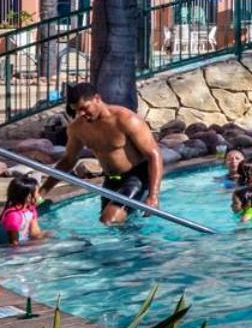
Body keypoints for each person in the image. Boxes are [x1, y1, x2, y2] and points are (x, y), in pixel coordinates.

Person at [44, 82, 163, 226]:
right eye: (77, 110)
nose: (81, 114)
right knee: (117, 227)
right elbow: (68, 161)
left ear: (97, 98)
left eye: (84, 108)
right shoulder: (77, 128)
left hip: (136, 177)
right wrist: (42, 192)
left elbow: (153, 155)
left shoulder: (126, 119)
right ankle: (141, 246)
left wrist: (153, 195)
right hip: (110, 180)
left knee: (108, 221)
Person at [0, 175, 43, 244]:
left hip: (23, 242)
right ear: (28, 197)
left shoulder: (30, 209)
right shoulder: (13, 216)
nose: (39, 195)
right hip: (8, 247)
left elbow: (35, 233)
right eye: (37, 193)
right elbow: (13, 243)